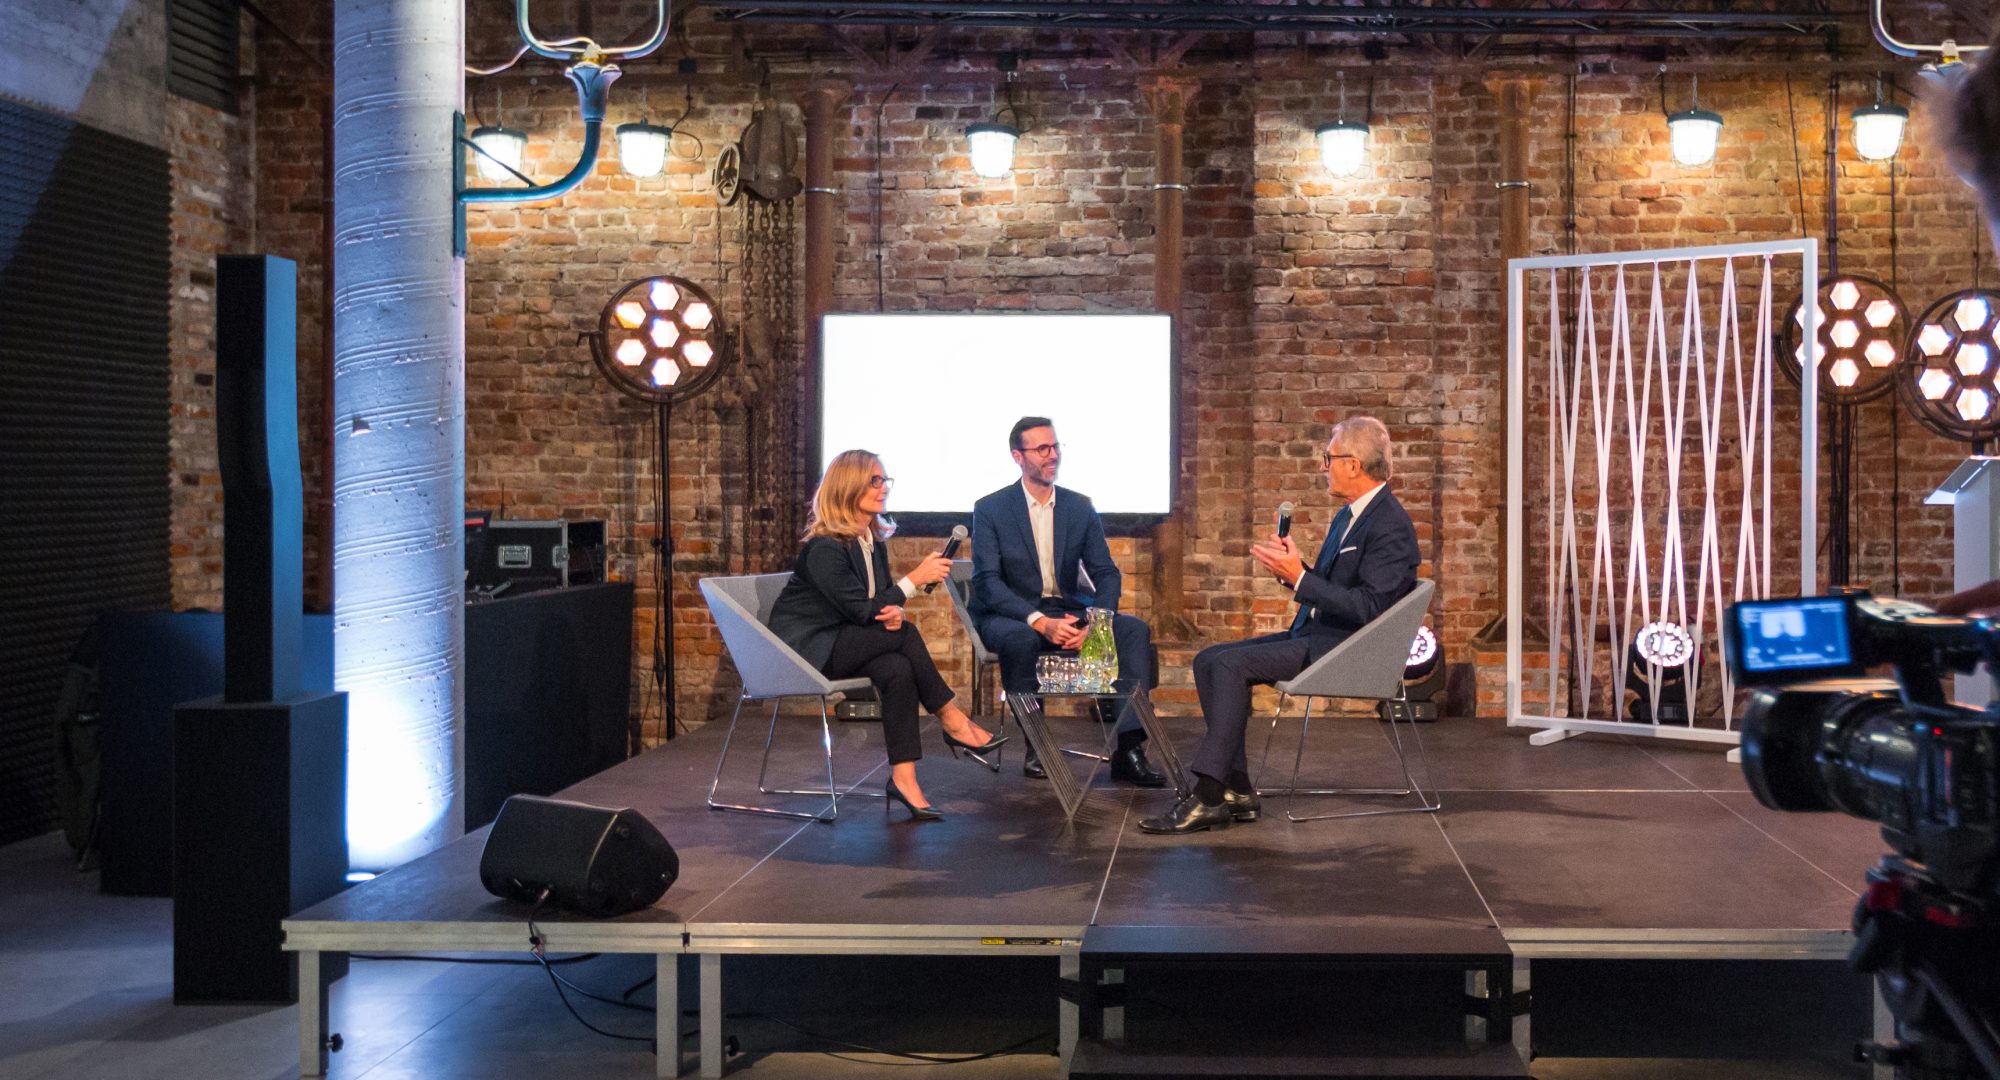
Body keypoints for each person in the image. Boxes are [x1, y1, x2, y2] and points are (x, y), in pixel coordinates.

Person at [1140, 416, 1419, 835]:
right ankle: (1238, 791)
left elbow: (1369, 607)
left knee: (1231, 665)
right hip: (1320, 635)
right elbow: (1333, 588)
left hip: (1348, 648)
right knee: (1209, 659)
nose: (1323, 466)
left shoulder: (1389, 524)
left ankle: (1210, 795)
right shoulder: (1348, 516)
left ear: (1354, 464)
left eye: (1329, 458)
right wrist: (1294, 571)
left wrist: (1301, 579)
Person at [766, 449, 1006, 821]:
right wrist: (915, 580)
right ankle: (952, 719)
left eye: (884, 480)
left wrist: (894, 612)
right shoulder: (824, 549)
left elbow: (875, 604)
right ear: (848, 487)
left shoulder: (870, 541)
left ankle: (904, 780)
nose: (883, 488)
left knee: (897, 668)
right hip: (806, 650)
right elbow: (862, 611)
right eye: (874, 481)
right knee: (906, 636)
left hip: (844, 639)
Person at [969, 417, 1165, 786]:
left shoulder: (1078, 506)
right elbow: (987, 583)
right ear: (1018, 456)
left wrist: (1097, 624)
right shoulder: (991, 509)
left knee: (1133, 631)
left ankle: (1129, 750)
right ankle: (1038, 745)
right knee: (1020, 639)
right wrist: (1039, 621)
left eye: (1055, 446)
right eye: (1042, 448)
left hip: (1068, 610)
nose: (1053, 455)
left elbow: (1106, 573)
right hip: (1012, 615)